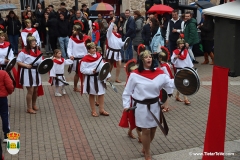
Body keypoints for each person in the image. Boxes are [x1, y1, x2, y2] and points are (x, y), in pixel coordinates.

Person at [122, 50, 174, 160]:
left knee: (154, 129)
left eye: (150, 56)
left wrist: (183, 80)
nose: (149, 58)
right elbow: (127, 92)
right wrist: (126, 105)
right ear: (142, 60)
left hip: (155, 105)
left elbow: (170, 83)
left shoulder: (159, 73)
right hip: (141, 107)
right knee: (146, 130)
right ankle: (147, 153)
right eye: (146, 57)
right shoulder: (134, 75)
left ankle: (146, 147)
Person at [80, 42, 110, 117]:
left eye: (95, 48)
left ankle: (101, 110)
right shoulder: (85, 59)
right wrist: (91, 71)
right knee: (92, 94)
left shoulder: (99, 56)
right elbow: (82, 70)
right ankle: (93, 111)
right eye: (92, 48)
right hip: (91, 79)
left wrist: (107, 75)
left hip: (99, 77)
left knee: (101, 93)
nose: (94, 49)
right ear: (88, 50)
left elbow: (103, 66)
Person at [16, 35, 43, 114]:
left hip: (36, 72)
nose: (34, 42)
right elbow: (18, 61)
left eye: (35, 41)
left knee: (36, 90)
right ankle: (29, 108)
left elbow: (41, 61)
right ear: (28, 43)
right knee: (30, 90)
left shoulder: (37, 51)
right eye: (32, 41)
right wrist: (26, 65)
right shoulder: (23, 52)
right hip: (27, 72)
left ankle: (34, 104)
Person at [171, 38, 193, 105]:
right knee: (183, 84)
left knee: (181, 83)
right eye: (180, 44)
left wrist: (191, 68)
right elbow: (172, 61)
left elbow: (188, 60)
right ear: (178, 45)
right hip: (179, 69)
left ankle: (177, 96)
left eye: (183, 44)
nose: (182, 45)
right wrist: (175, 57)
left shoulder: (186, 51)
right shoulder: (175, 52)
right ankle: (185, 99)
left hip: (185, 69)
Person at [67, 22, 87, 92]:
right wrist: (70, 55)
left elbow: (85, 48)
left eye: (74, 29)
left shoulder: (83, 38)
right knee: (77, 73)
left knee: (84, 73)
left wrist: (87, 55)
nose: (73, 31)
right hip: (76, 58)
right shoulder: (71, 39)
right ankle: (75, 87)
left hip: (83, 58)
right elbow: (69, 48)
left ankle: (84, 85)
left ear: (78, 31)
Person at [106, 17, 125, 83]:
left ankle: (117, 78)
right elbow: (109, 29)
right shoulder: (109, 34)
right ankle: (108, 76)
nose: (115, 28)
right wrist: (112, 22)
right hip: (111, 51)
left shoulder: (118, 35)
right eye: (114, 27)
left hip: (117, 52)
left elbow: (120, 44)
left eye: (116, 27)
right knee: (110, 65)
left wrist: (125, 43)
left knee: (119, 64)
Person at [0, 70, 14, 142]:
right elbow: (9, 85)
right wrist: (9, 92)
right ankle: (6, 135)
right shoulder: (3, 73)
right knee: (5, 115)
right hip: (2, 98)